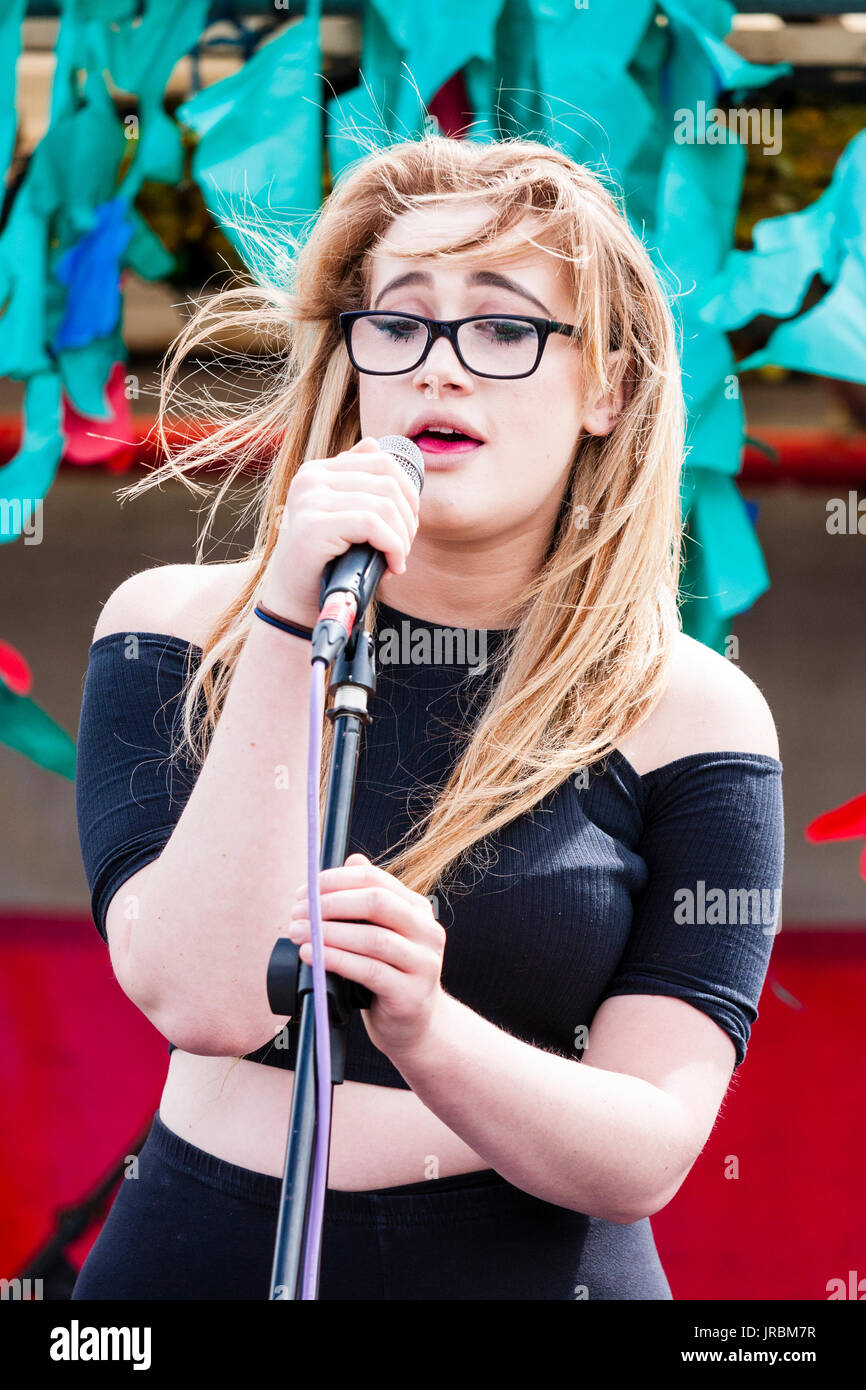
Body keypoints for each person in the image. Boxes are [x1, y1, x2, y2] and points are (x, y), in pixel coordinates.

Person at [71, 134, 784, 1301]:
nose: (437, 369)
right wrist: (292, 613)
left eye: (503, 328)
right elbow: (194, 996)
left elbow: (646, 1149)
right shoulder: (174, 630)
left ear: (605, 386)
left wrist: (427, 1030)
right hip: (201, 1254)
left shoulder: (687, 707)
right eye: (397, 323)